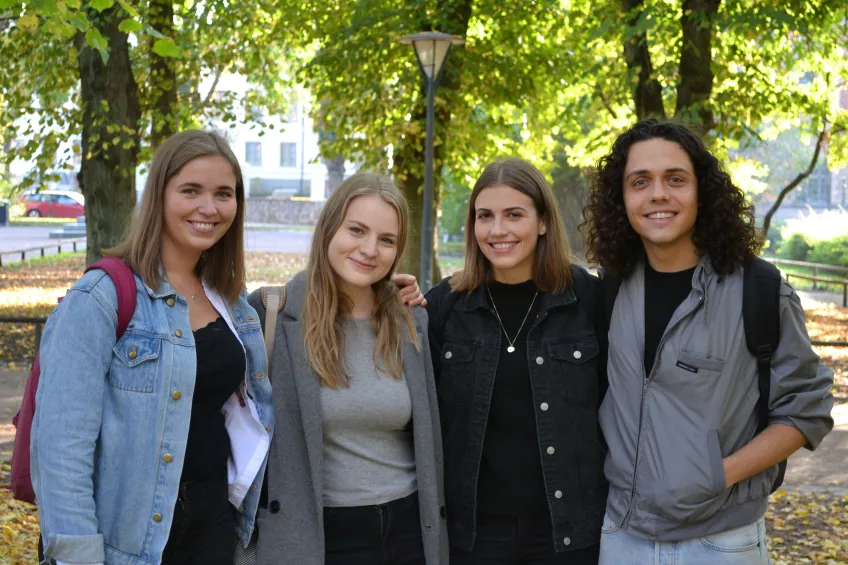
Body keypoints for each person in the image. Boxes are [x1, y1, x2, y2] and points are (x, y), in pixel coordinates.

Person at [582, 119, 834, 564]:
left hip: (722, 541)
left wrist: (716, 475)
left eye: (675, 179)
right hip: (620, 534)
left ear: (702, 192)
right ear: (622, 199)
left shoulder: (760, 291)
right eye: (640, 182)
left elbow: (806, 408)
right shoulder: (607, 291)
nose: (658, 194)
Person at [31, 130, 274, 565]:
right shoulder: (102, 297)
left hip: (212, 529)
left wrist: (390, 293)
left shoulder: (234, 305)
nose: (209, 208)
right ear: (159, 195)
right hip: (127, 538)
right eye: (191, 191)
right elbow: (61, 446)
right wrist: (76, 555)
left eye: (224, 193)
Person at [249, 171, 447, 565]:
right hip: (320, 535)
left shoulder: (411, 320)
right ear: (329, 230)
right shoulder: (272, 313)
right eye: (356, 230)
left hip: (409, 531)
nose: (370, 249)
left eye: (386, 240)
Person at [425, 158, 607, 564]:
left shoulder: (588, 301)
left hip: (568, 533)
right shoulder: (446, 307)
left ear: (542, 221)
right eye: (484, 216)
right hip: (474, 536)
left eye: (514, 215)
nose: (497, 230)